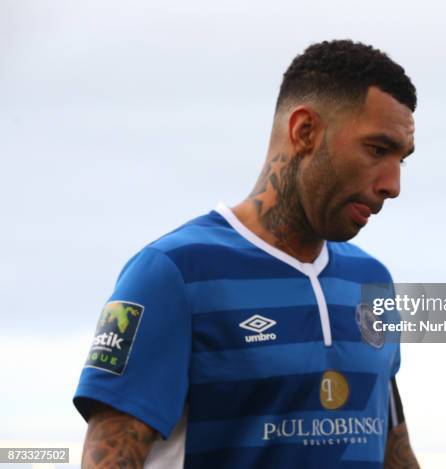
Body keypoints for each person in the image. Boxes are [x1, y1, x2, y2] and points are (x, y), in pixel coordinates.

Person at [73, 39, 419, 469]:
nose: (392, 184)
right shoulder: (173, 273)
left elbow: (392, 449)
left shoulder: (371, 281)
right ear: (304, 131)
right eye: (377, 149)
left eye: (402, 159)